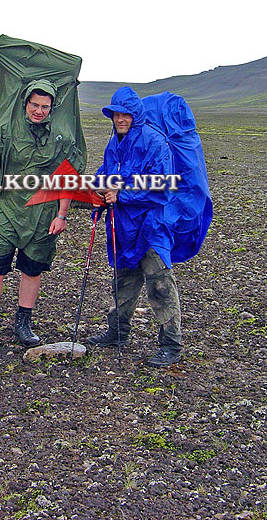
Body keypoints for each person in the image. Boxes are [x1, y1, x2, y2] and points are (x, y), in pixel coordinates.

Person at [0, 80, 78, 354]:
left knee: (32, 268)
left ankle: (23, 323)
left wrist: (62, 214)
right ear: (26, 103)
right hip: (3, 208)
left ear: (52, 108)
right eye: (35, 105)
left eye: (45, 107)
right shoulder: (4, 130)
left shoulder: (61, 137)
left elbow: (67, 179)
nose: (39, 111)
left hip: (42, 213)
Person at [87, 86, 184, 367]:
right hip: (124, 225)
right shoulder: (114, 143)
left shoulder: (154, 142)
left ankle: (171, 344)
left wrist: (123, 194)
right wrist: (97, 191)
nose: (121, 119)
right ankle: (116, 333)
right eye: (117, 114)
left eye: (126, 114)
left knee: (160, 284)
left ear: (136, 115)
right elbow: (106, 174)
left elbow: (164, 185)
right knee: (124, 281)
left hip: (153, 224)